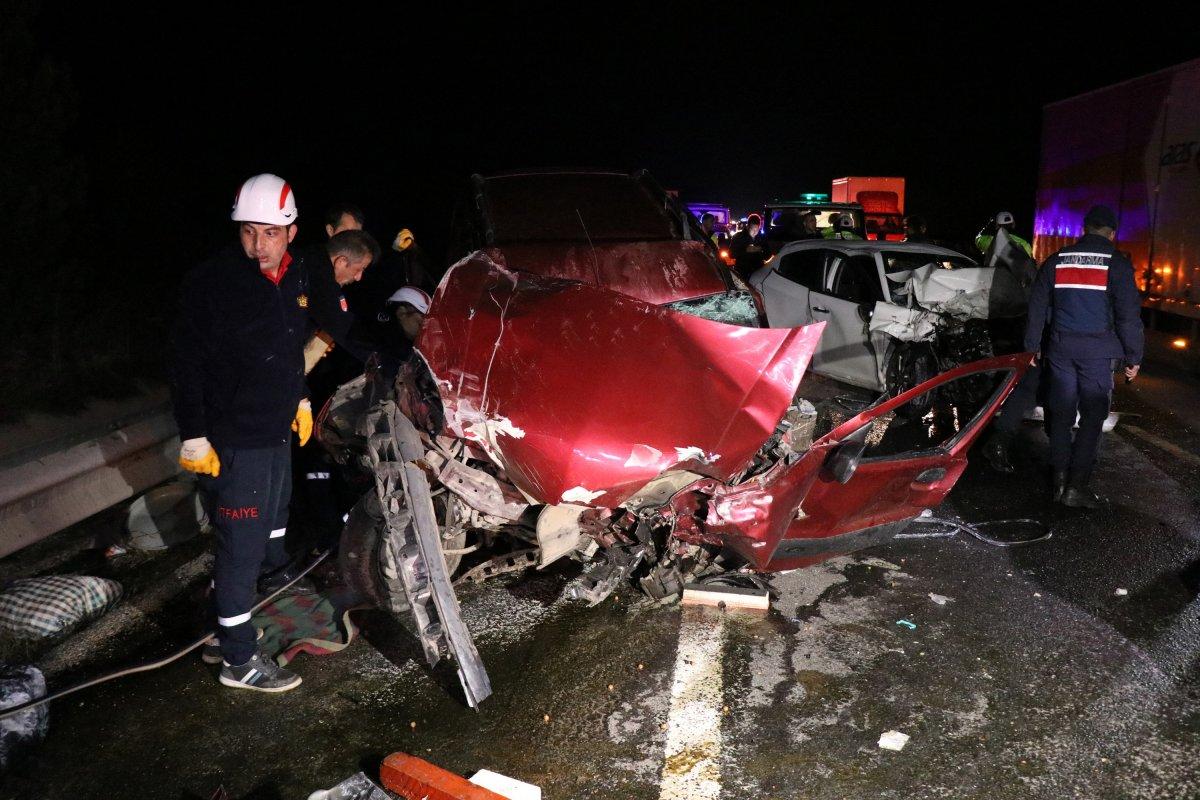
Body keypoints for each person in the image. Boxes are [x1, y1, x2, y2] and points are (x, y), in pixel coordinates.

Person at [172, 174, 369, 692]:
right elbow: (185, 364)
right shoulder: (213, 282)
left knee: (276, 516)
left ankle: (257, 593)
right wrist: (193, 434)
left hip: (275, 425)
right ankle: (238, 657)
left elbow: (284, 349)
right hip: (235, 437)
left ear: (292, 231)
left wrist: (299, 398)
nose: (258, 246)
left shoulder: (294, 275)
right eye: (248, 232)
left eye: (270, 234)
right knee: (241, 541)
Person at [1022, 205, 1143, 508]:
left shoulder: (1057, 260)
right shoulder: (1116, 264)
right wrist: (1133, 357)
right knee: (1092, 417)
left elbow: (1037, 305)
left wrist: (1031, 346)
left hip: (1061, 349)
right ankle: (1076, 487)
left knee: (1060, 414)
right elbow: (1128, 317)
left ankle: (1059, 480)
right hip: (1098, 353)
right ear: (1111, 233)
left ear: (1083, 230)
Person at [729, 213, 766, 278]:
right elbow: (731, 254)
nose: (755, 232)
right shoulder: (738, 237)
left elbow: (768, 255)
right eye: (752, 229)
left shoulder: (761, 238)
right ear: (748, 226)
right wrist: (745, 250)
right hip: (742, 273)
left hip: (758, 273)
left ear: (759, 227)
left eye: (756, 229)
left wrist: (761, 249)